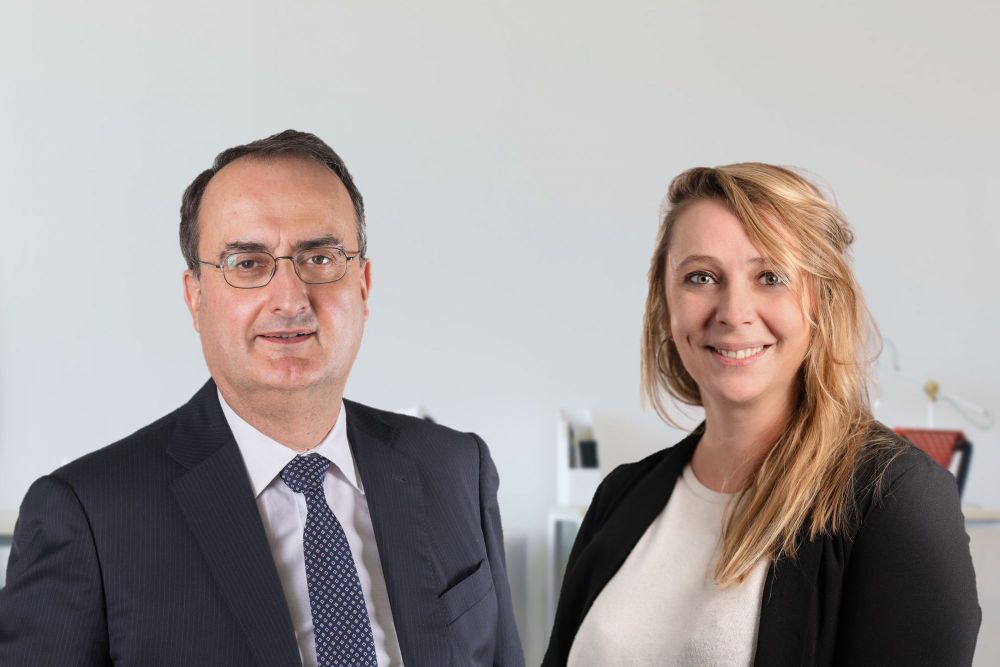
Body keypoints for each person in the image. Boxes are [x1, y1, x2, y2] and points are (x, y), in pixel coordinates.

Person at [0, 130, 523, 666]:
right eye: (247, 264)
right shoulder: (88, 516)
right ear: (196, 298)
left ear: (363, 286)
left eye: (320, 258)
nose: (290, 299)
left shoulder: (456, 468)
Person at [544, 163, 980, 666]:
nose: (734, 312)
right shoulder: (619, 496)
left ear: (822, 303)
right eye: (701, 277)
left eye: (770, 277)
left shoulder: (896, 499)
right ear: (665, 302)